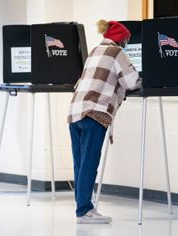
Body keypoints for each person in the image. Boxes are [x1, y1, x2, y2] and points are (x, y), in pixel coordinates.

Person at [67, 19, 142, 224]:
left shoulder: (95, 51)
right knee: (90, 164)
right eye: (127, 39)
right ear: (121, 39)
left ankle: (82, 208)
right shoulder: (117, 53)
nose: (127, 42)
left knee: (80, 163)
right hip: (94, 113)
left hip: (75, 113)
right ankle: (84, 212)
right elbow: (132, 82)